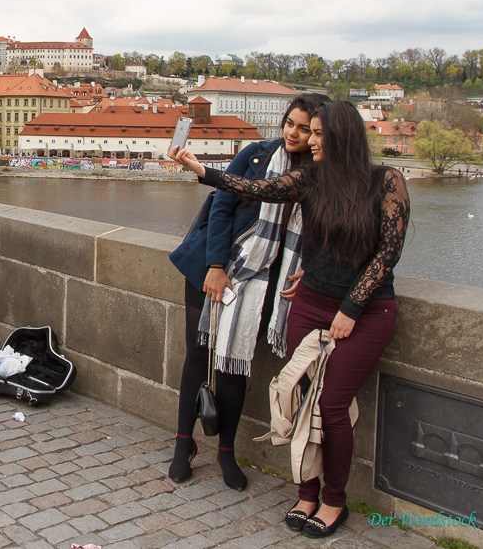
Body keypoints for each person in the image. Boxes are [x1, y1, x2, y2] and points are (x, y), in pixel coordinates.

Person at [170, 100, 410, 538]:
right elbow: (256, 189)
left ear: (343, 137)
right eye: (307, 131)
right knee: (300, 401)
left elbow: (386, 255)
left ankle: (334, 501)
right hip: (310, 300)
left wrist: (350, 307)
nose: (311, 140)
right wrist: (201, 170)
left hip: (360, 310)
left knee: (332, 407)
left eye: (319, 133)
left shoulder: (387, 181)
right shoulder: (314, 179)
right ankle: (306, 494)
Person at [167, 93, 329, 491]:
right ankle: (182, 445)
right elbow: (221, 206)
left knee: (233, 366)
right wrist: (218, 267)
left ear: (320, 134)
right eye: (290, 123)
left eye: (305, 128)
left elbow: (325, 231)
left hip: (264, 282)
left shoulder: (322, 175)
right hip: (213, 268)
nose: (293, 132)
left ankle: (226, 452)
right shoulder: (256, 154)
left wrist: (309, 265)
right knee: (198, 355)